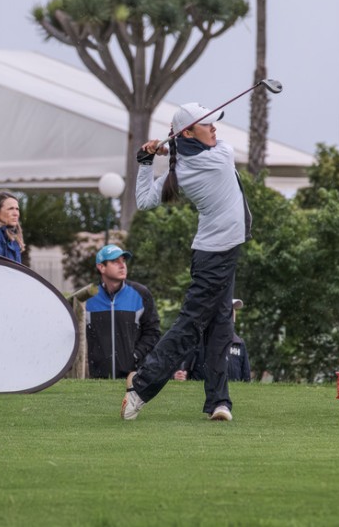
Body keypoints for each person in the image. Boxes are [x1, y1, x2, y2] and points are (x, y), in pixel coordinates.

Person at [122, 101, 251, 422]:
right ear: (190, 131)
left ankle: (218, 401)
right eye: (207, 124)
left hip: (219, 251)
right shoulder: (219, 157)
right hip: (216, 255)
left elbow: (145, 200)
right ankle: (140, 386)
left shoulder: (179, 171)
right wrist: (170, 146)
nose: (215, 128)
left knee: (221, 327)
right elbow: (215, 147)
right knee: (191, 326)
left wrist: (147, 160)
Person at [84, 244, 161, 379]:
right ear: (101, 267)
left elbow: (152, 332)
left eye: (123, 261)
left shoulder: (141, 294)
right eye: (115, 262)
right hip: (97, 380)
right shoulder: (88, 299)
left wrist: (135, 356)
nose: (122, 265)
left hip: (132, 377)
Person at [174, 299, 251, 383]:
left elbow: (246, 379)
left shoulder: (239, 344)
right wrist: (179, 376)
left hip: (233, 395)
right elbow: (182, 370)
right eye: (228, 309)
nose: (232, 313)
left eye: (233, 310)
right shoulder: (198, 340)